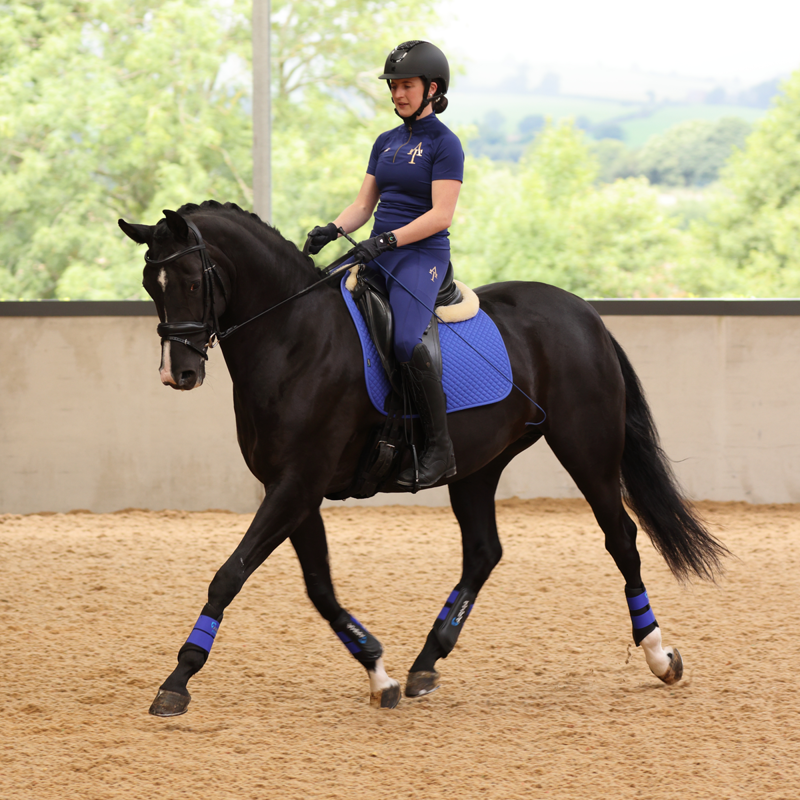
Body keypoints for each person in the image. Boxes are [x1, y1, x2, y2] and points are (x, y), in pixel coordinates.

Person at [306, 40, 464, 490]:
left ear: (432, 88)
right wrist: (332, 229)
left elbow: (441, 215)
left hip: (420, 256)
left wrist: (390, 239)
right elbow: (363, 204)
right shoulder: (386, 142)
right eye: (393, 86)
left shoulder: (445, 144)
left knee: (407, 341)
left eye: (407, 85)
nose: (398, 94)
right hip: (377, 249)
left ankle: (440, 449)